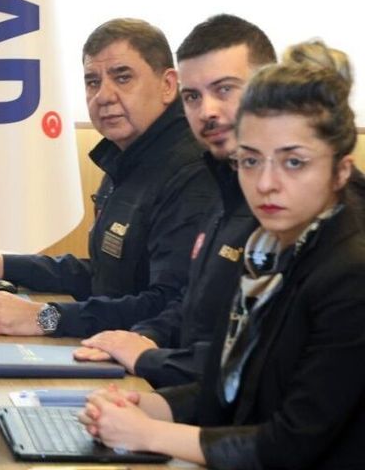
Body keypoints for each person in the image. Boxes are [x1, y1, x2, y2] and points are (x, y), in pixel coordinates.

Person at [80, 40, 365, 468]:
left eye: (293, 163)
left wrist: (151, 433)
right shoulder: (266, 251)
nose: (266, 183)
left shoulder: (350, 273)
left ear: (340, 171)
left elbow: (292, 443)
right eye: (250, 162)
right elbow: (231, 388)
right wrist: (142, 407)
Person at [0, 18, 216, 337]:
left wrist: (46, 317)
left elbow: (168, 309)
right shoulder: (127, 155)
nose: (104, 95)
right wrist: (6, 265)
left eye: (123, 77)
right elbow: (107, 277)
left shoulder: (191, 172)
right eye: (92, 81)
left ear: (168, 85)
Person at [75, 15, 277, 386]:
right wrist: (144, 341)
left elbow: (257, 373)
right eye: (193, 97)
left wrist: (149, 363)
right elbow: (190, 308)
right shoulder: (227, 182)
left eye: (225, 89)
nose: (207, 111)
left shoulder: (201, 175)